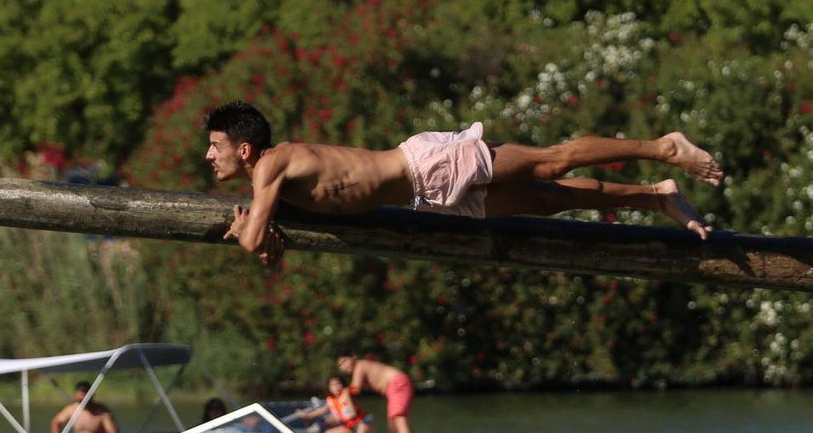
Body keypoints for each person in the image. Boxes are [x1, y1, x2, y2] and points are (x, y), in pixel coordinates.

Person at [204, 101, 724, 265]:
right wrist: (262, 241)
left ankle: (662, 147)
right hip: (426, 198)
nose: (209, 156)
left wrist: (245, 233)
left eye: (215, 146)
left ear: (244, 150)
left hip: (426, 166)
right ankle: (658, 196)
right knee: (548, 201)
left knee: (551, 162)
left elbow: (253, 240)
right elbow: (268, 252)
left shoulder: (272, 165)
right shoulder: (276, 184)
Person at [336, 350, 416, 433]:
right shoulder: (360, 367)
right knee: (393, 428)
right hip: (393, 388)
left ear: (353, 357)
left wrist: (345, 392)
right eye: (340, 366)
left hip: (397, 383)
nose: (343, 367)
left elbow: (355, 389)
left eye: (344, 362)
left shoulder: (360, 365)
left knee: (399, 420)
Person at [295, 375, 385, 433]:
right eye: (333, 385)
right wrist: (308, 416)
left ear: (343, 385)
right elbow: (324, 409)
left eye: (338, 384)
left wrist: (346, 399)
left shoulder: (346, 395)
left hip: (363, 422)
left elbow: (352, 413)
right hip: (351, 425)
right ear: (329, 388)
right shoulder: (333, 400)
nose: (336, 387)